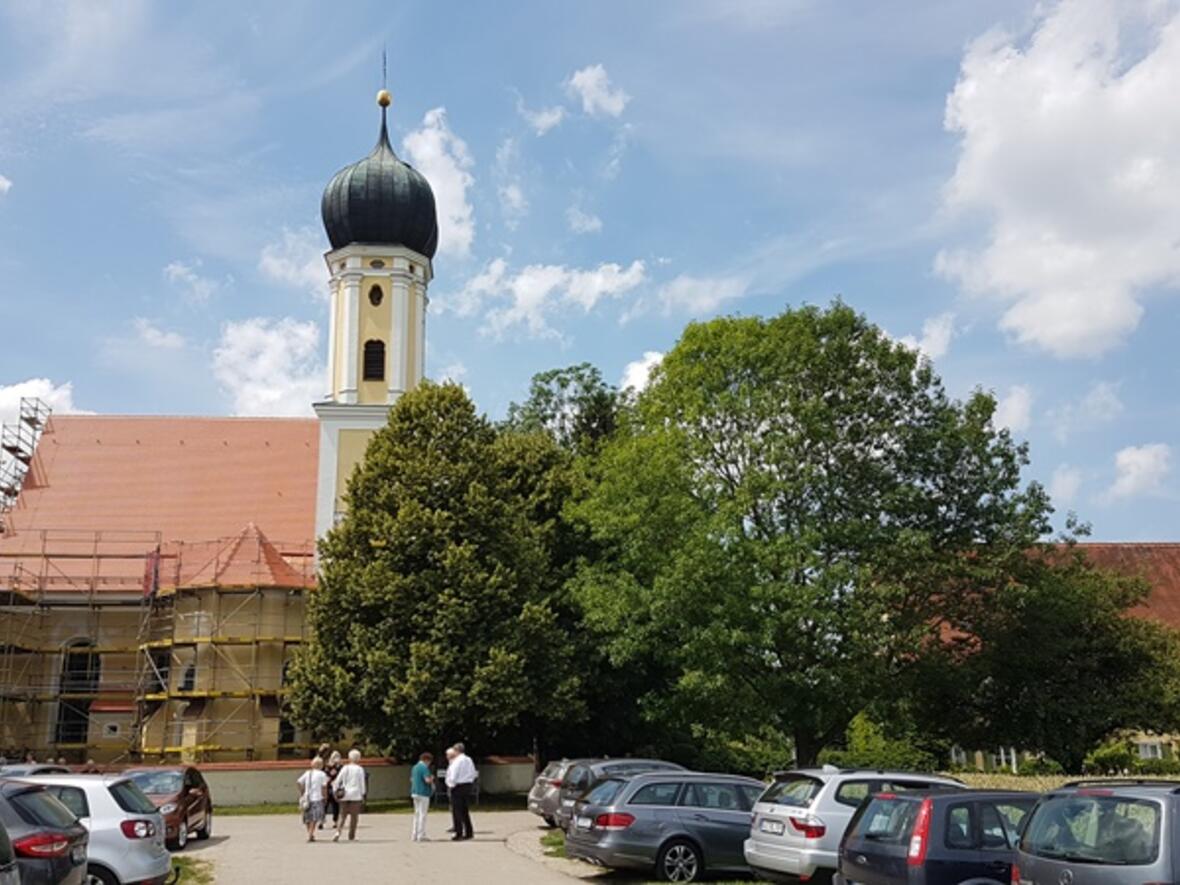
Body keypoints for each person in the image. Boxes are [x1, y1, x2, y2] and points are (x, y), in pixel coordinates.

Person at [445, 743, 476, 841]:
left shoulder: (457, 761)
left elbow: (454, 774)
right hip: (467, 785)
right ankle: (469, 831)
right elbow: (473, 773)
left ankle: (459, 833)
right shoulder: (469, 759)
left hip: (458, 786)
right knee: (464, 810)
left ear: (457, 750)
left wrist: (451, 784)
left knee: (457, 810)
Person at [333, 749, 366, 842]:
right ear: (358, 758)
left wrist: (335, 790)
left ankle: (338, 832)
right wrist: (363, 794)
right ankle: (351, 835)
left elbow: (337, 780)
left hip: (344, 794)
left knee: (342, 815)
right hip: (356, 794)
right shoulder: (360, 769)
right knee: (354, 817)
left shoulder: (345, 768)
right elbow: (362, 783)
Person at [297, 756, 329, 842]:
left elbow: (299, 782)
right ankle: (311, 833)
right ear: (321, 765)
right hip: (317, 798)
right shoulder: (322, 774)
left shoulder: (308, 773)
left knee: (307, 817)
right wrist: (325, 797)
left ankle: (310, 833)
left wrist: (302, 793)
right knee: (314, 818)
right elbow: (324, 787)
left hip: (307, 798)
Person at [410, 752, 434, 842]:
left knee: (416, 814)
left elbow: (412, 779)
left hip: (415, 792)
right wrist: (432, 778)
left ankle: (414, 834)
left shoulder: (415, 767)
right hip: (423, 793)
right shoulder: (424, 768)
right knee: (422, 814)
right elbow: (427, 780)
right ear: (427, 760)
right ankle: (421, 835)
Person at [324, 750, 343, 830]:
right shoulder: (328, 767)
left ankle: (335, 821)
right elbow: (326, 775)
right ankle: (322, 821)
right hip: (329, 787)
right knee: (326, 804)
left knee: (335, 805)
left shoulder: (341, 767)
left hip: (335, 787)